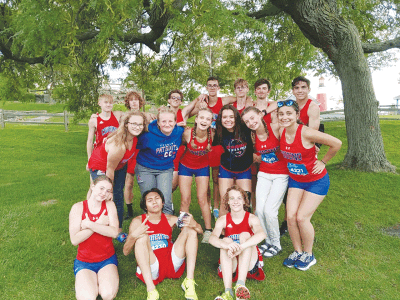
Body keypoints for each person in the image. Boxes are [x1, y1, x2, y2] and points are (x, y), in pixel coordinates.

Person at [277, 99, 341, 270]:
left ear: (297, 115)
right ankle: (298, 251)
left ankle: (308, 254)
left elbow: (337, 143)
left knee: (302, 217)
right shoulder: (280, 132)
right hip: (296, 180)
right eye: (281, 114)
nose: (285, 117)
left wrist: (324, 161)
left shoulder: (306, 132)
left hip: (316, 181)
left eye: (289, 113)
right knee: (290, 217)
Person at [123, 188, 203, 300]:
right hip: (151, 264)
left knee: (190, 230)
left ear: (163, 202)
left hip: (171, 260)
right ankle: (151, 289)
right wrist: (133, 236)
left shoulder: (171, 219)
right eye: (150, 200)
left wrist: (194, 224)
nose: (154, 202)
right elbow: (125, 251)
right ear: (145, 206)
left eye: (157, 198)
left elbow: (199, 232)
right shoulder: (137, 221)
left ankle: (189, 281)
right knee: (141, 239)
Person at [88, 111, 146, 235]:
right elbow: (109, 169)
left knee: (118, 196)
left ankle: (117, 230)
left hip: (120, 165)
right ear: (126, 124)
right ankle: (93, 225)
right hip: (101, 166)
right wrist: (109, 190)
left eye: (140, 124)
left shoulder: (135, 137)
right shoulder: (119, 145)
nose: (138, 127)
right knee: (104, 195)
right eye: (134, 123)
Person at [242, 106, 289, 258]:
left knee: (270, 210)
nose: (251, 122)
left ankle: (276, 244)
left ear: (260, 115)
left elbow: (293, 141)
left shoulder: (276, 128)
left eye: (252, 118)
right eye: (247, 121)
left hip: (281, 174)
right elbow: (259, 155)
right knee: (259, 210)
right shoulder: (252, 135)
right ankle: (267, 241)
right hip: (264, 173)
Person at [209, 186, 266, 300]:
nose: (236, 201)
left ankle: (241, 285)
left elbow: (262, 234)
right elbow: (212, 238)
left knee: (245, 235)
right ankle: (228, 292)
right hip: (231, 264)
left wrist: (241, 247)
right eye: (232, 198)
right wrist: (226, 245)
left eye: (239, 198)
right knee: (225, 240)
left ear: (244, 201)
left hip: (249, 261)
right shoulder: (223, 219)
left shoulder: (252, 218)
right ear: (228, 202)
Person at [69, 176, 119, 300]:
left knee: (107, 294)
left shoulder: (109, 205)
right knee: (87, 297)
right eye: (101, 188)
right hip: (84, 261)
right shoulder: (78, 208)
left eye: (108, 191)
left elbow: (114, 232)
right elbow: (75, 239)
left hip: (107, 259)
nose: (104, 193)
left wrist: (90, 224)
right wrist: (100, 224)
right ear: (92, 186)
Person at [135, 106, 184, 215]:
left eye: (170, 121)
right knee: (149, 199)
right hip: (145, 168)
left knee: (165, 199)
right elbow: (132, 143)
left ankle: (166, 228)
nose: (167, 124)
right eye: (163, 121)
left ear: (176, 122)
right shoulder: (147, 134)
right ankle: (149, 226)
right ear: (158, 122)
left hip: (165, 168)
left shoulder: (179, 132)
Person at [178, 108, 214, 243]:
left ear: (211, 122)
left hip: (202, 167)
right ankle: (183, 229)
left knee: (202, 198)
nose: (204, 121)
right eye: (202, 118)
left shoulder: (213, 134)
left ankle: (208, 230)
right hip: (186, 166)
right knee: (185, 199)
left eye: (208, 119)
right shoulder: (187, 133)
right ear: (197, 120)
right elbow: (175, 138)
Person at [213, 104, 254, 216]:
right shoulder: (218, 132)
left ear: (236, 117)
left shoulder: (246, 129)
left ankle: (243, 229)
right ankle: (222, 232)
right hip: (226, 169)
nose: (228, 120)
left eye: (231, 117)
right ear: (220, 119)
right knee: (225, 201)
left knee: (244, 202)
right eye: (225, 117)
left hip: (244, 170)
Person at [123, 91, 156, 220]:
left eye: (136, 99)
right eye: (131, 100)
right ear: (128, 102)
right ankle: (129, 210)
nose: (134, 102)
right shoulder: (124, 116)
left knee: (146, 183)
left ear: (140, 102)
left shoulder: (147, 116)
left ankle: (150, 208)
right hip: (129, 151)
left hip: (143, 152)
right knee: (128, 182)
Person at [86, 94, 124, 199]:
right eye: (106, 102)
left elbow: (133, 114)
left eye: (111, 102)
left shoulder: (117, 115)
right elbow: (89, 141)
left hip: (113, 155)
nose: (108, 105)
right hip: (98, 157)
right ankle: (87, 210)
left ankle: (110, 210)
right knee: (94, 186)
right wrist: (89, 159)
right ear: (99, 103)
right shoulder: (94, 120)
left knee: (112, 186)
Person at [167, 89, 201, 196]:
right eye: (173, 97)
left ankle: (166, 201)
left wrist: (202, 96)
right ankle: (168, 206)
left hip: (179, 150)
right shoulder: (164, 114)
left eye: (178, 98)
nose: (176, 100)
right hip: (166, 149)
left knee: (173, 184)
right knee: (166, 180)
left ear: (181, 101)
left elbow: (194, 104)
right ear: (169, 100)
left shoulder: (182, 113)